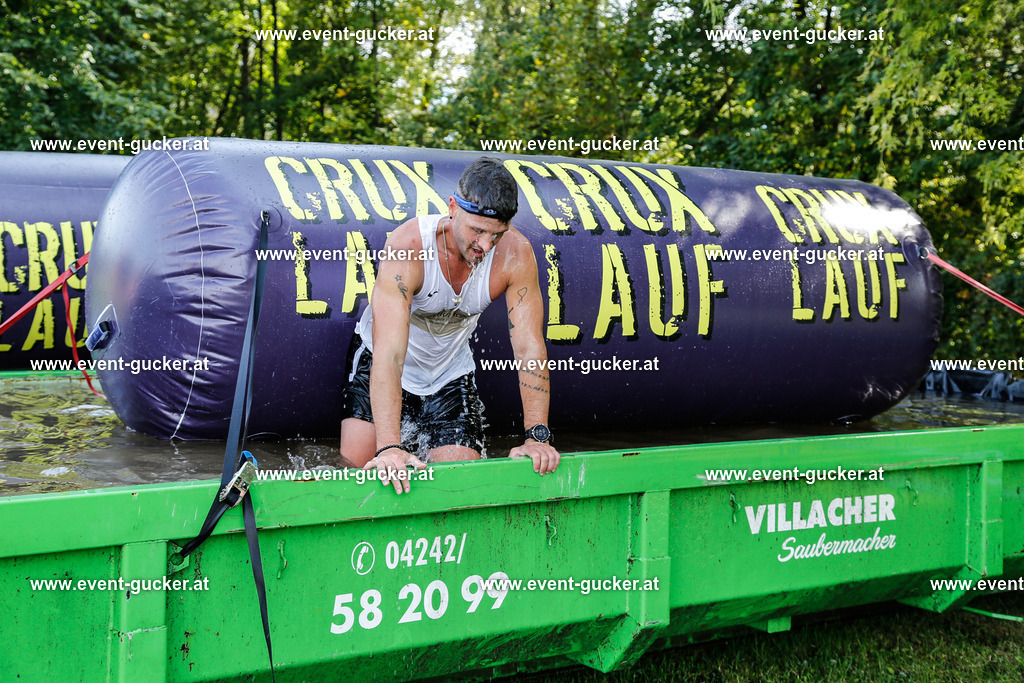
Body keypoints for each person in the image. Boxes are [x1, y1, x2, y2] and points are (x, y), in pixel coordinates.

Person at [339, 156, 561, 493]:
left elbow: (529, 346)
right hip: (382, 360)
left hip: (448, 372)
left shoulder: (516, 254)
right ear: (453, 207)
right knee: (357, 477)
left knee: (460, 485)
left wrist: (537, 436)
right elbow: (390, 354)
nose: (485, 246)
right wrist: (388, 448)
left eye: (496, 235)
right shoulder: (409, 247)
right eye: (478, 231)